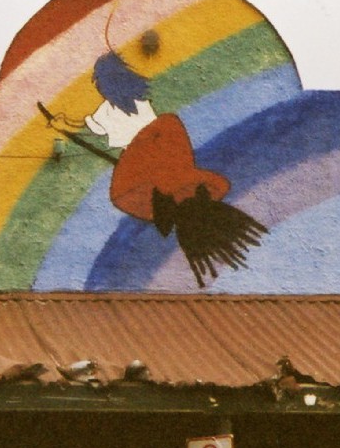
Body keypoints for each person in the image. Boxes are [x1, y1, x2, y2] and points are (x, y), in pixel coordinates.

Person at [82, 52, 267, 288]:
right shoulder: (148, 111)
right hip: (159, 164)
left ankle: (182, 202)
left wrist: (60, 123)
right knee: (168, 126)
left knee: (166, 129)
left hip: (147, 166)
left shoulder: (114, 111)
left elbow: (92, 127)